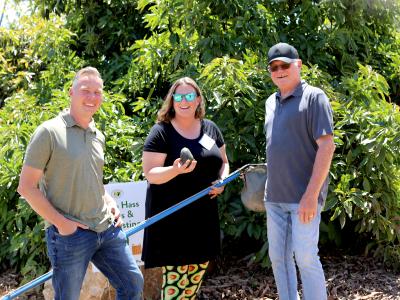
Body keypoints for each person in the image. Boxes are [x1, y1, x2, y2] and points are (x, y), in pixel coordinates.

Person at [17, 67, 144, 300]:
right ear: (71, 92)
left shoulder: (98, 135)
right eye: (85, 90)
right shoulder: (49, 132)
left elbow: (93, 179)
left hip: (106, 228)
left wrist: (110, 201)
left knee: (132, 284)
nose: (92, 97)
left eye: (97, 92)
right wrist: (63, 225)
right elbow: (26, 187)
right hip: (70, 236)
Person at [141, 77, 230, 299]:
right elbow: (151, 174)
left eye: (189, 96)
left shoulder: (210, 129)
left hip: (203, 219)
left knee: (193, 283)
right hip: (173, 222)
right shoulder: (161, 132)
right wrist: (175, 170)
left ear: (198, 99)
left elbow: (224, 162)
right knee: (175, 285)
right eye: (178, 96)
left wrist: (222, 181)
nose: (184, 101)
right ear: (171, 101)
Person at [264, 43, 335, 300]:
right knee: (279, 260)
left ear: (299, 65)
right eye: (274, 67)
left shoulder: (314, 97)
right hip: (274, 198)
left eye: (285, 65)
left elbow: (327, 146)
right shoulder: (270, 102)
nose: (280, 70)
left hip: (304, 198)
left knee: (305, 257)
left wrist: (311, 195)